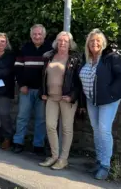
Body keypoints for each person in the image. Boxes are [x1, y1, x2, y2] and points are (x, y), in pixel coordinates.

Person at [79, 29, 121, 180]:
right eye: (91, 41)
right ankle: (99, 161)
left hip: (108, 100)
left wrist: (111, 93)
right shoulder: (86, 58)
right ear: (88, 44)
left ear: (102, 43)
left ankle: (105, 166)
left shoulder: (110, 57)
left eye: (97, 40)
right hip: (91, 99)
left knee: (104, 130)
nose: (94, 43)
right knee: (96, 129)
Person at [38, 31, 82, 170]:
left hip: (66, 98)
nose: (62, 43)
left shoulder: (75, 59)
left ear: (70, 44)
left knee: (66, 129)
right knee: (50, 125)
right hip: (51, 97)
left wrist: (72, 96)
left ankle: (63, 159)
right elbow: (43, 77)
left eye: (65, 41)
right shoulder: (49, 56)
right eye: (60, 40)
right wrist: (43, 92)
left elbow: (78, 82)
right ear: (56, 42)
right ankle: (54, 156)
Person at [13, 24, 53, 155]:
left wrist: (46, 90)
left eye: (39, 34)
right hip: (26, 89)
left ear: (44, 35)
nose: (37, 36)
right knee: (22, 117)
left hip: (42, 91)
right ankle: (18, 142)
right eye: (34, 34)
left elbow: (52, 72)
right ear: (31, 35)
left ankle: (38, 145)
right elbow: (18, 68)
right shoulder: (24, 48)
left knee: (41, 119)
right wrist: (22, 84)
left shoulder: (50, 50)